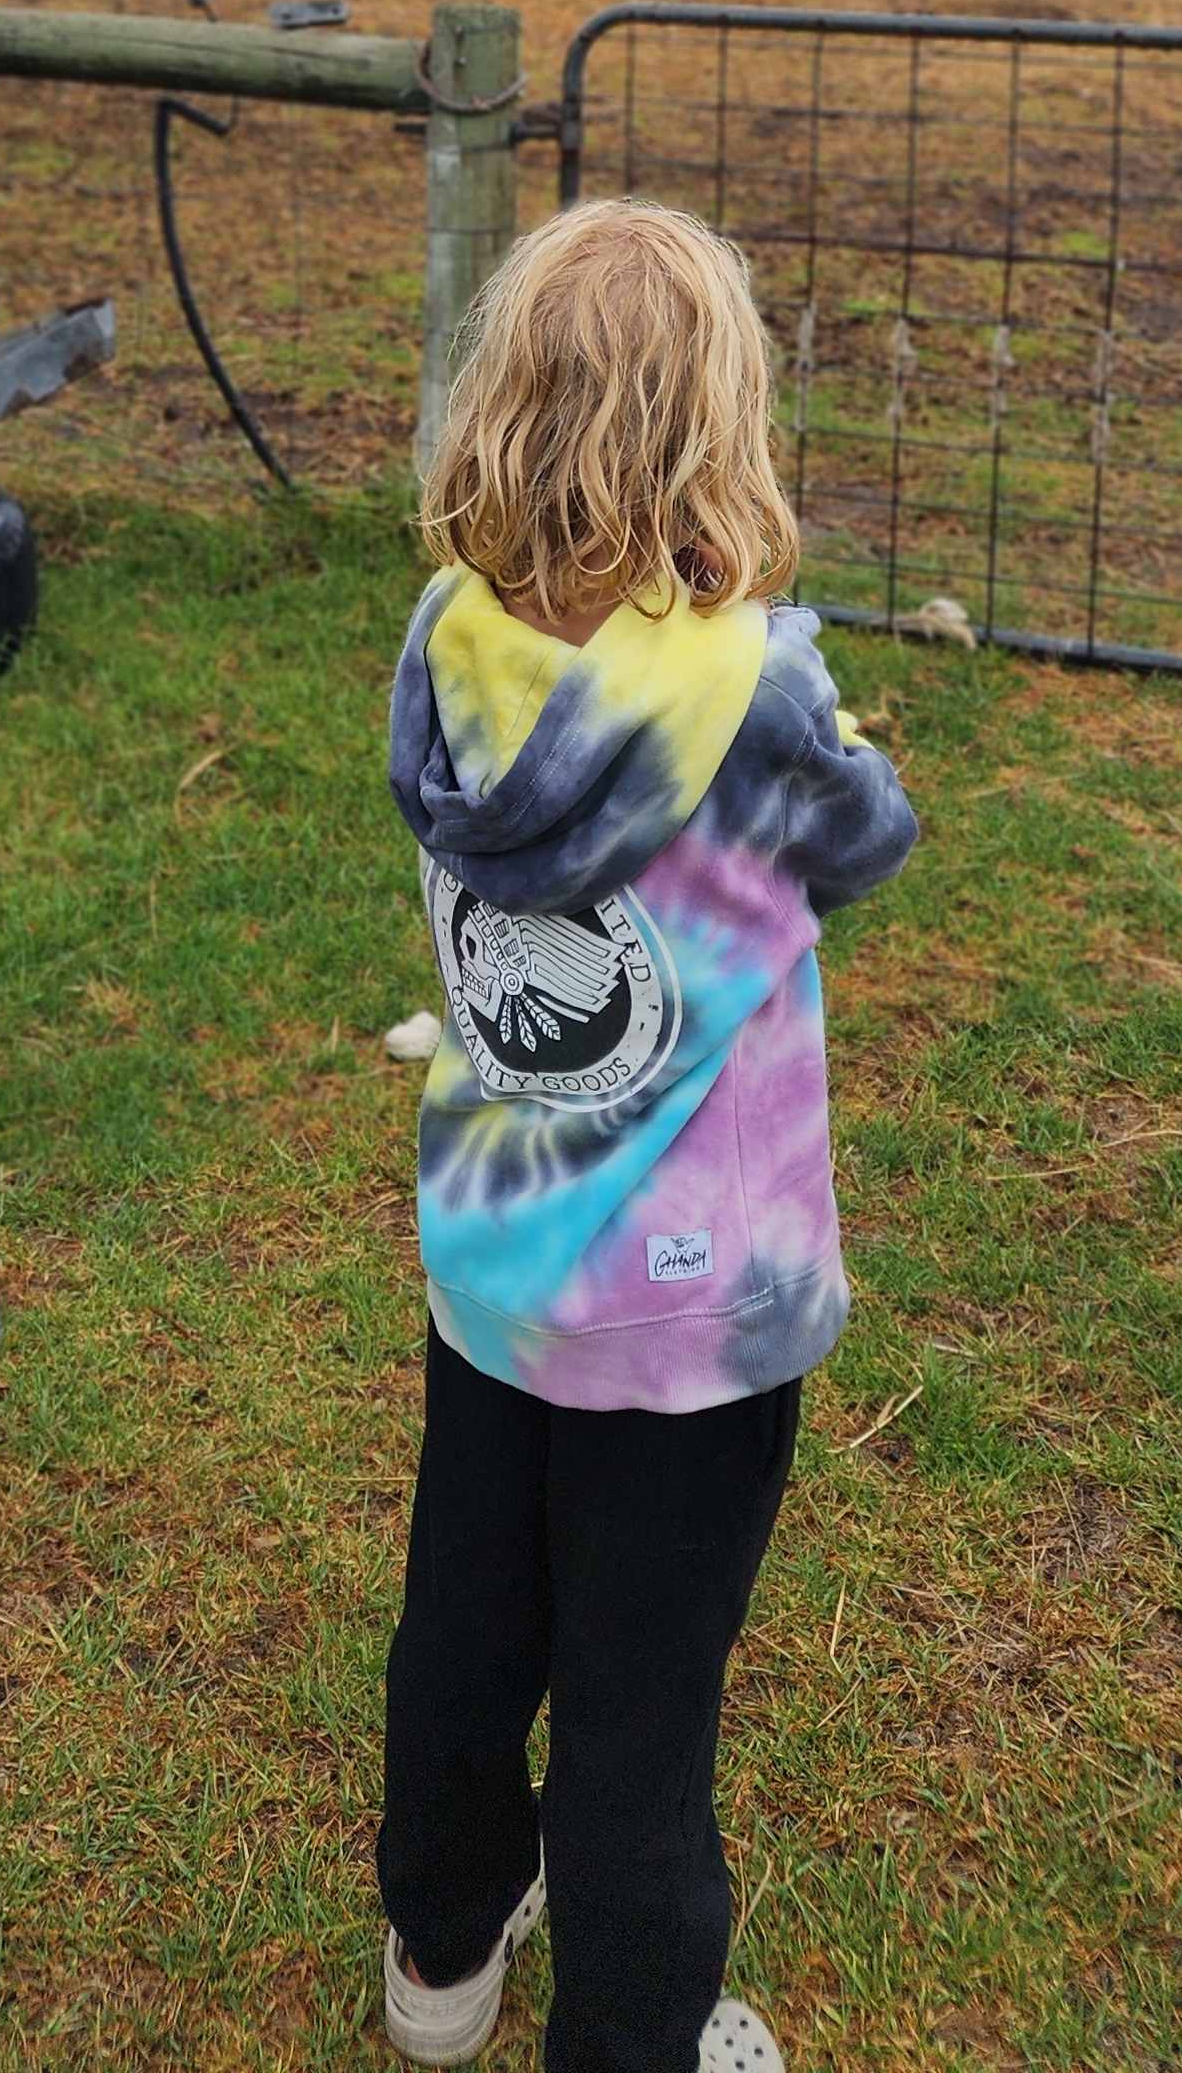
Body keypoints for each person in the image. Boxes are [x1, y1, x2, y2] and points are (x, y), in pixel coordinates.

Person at [378, 200, 918, 2072]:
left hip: (497, 1261)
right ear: (720, 426)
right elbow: (864, 845)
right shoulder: (754, 687)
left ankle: (439, 1951)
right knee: (639, 1705)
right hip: (696, 1310)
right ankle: (635, 2032)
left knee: (467, 1612)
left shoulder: (448, 644)